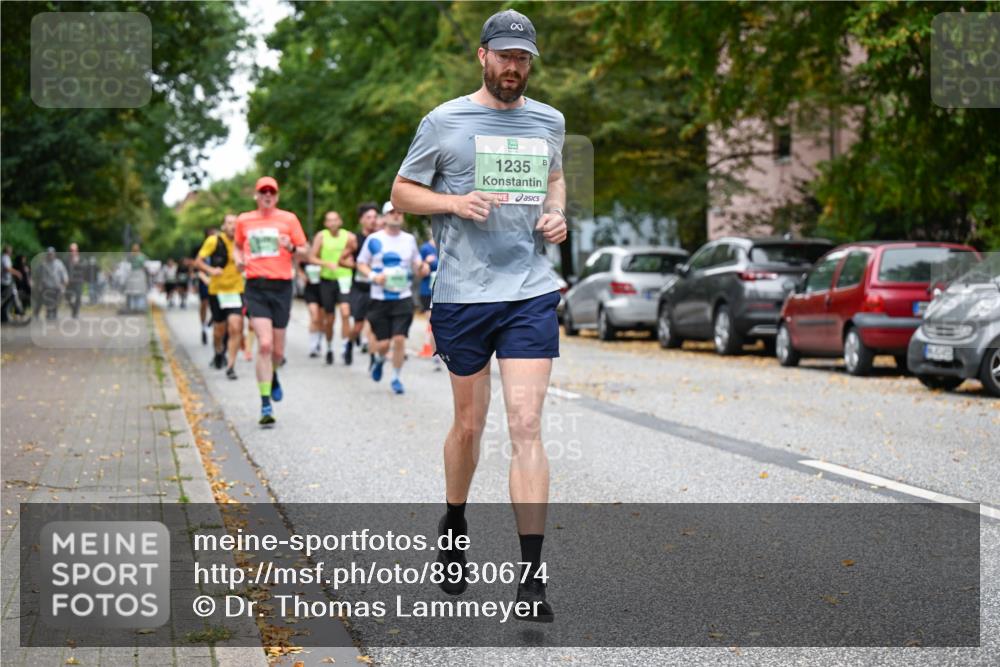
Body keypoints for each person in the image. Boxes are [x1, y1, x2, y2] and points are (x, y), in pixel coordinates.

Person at [391, 9, 567, 622]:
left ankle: (531, 580)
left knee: (526, 423)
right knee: (469, 425)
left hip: (529, 290)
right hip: (464, 294)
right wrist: (453, 202)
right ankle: (455, 518)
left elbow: (555, 178)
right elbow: (402, 193)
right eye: (505, 56)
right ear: (483, 56)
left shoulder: (549, 121)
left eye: (524, 59)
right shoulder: (443, 121)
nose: (514, 67)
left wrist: (557, 214)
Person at [233, 176, 308, 426]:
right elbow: (237, 246)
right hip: (256, 286)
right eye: (263, 191)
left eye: (271, 192)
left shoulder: (289, 219)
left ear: (276, 196)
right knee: (264, 344)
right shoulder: (244, 220)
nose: (267, 195)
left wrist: (292, 248)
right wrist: (238, 260)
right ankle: (265, 403)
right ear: (256, 196)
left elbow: (306, 250)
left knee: (277, 351)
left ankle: (273, 374)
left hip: (281, 287)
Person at [356, 201, 429, 394]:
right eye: (392, 212)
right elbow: (361, 263)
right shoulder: (374, 239)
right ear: (385, 217)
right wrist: (373, 276)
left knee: (399, 339)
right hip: (379, 298)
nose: (396, 215)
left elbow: (417, 263)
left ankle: (396, 377)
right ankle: (380, 360)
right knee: (383, 344)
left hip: (402, 297)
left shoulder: (409, 240)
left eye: (400, 212)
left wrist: (422, 268)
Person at [195, 215, 245, 379]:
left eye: (235, 224)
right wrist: (211, 270)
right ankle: (218, 352)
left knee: (236, 326)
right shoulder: (214, 241)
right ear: (224, 226)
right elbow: (198, 262)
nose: (233, 226)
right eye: (230, 223)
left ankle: (230, 366)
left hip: (236, 290)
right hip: (217, 291)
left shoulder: (242, 242)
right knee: (219, 330)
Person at [308, 211, 356, 365]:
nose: (333, 223)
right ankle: (329, 347)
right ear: (326, 223)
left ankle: (345, 348)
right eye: (329, 220)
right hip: (327, 280)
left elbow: (355, 255)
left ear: (340, 221)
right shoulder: (321, 236)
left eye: (335, 220)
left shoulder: (349, 236)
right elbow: (311, 257)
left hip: (344, 278)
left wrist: (350, 263)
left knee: (345, 312)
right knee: (329, 319)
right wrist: (325, 263)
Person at [342, 203, 379, 366]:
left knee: (373, 324)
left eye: (375, 217)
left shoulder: (380, 238)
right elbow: (341, 260)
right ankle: (349, 344)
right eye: (368, 217)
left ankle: (373, 358)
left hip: (375, 287)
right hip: (360, 287)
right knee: (358, 326)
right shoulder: (354, 240)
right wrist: (357, 265)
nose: (372, 220)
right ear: (361, 220)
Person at [417, 233, 442, 370]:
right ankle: (437, 355)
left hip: (446, 291)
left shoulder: (449, 244)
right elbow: (419, 271)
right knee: (434, 322)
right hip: (428, 291)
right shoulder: (425, 248)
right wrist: (425, 263)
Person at [192, 228, 216, 345]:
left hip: (217, 281)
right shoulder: (201, 249)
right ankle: (203, 327)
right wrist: (202, 278)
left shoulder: (220, 248)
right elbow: (196, 267)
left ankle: (211, 322)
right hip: (204, 281)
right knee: (204, 303)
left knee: (216, 306)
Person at [299, 256, 324, 358]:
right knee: (314, 317)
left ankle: (318, 342)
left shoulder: (324, 257)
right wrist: (302, 275)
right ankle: (313, 346)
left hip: (323, 289)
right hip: (310, 290)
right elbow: (298, 266)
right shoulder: (307, 258)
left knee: (321, 320)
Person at [35, 247, 69, 320]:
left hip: (56, 286)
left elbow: (63, 272)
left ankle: (54, 313)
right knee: (46, 301)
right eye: (49, 254)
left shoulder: (59, 263)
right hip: (46, 286)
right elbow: (38, 275)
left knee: (56, 301)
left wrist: (65, 280)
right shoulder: (43, 264)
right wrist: (38, 284)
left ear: (54, 254)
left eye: (51, 254)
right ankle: (47, 313)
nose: (50, 255)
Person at [1, 245, 23, 323]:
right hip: (6, 282)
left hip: (6, 281)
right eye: (10, 250)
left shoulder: (4, 257)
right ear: (7, 251)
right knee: (4, 298)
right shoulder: (5, 258)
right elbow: (7, 268)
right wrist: (17, 273)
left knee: (8, 299)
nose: (11, 252)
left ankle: (4, 317)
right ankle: (19, 311)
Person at [65, 243, 85, 318]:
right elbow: (64, 270)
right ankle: (73, 309)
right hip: (69, 281)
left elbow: (84, 269)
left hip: (78, 281)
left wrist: (77, 263)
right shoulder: (66, 259)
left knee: (78, 297)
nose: (73, 252)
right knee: (67, 297)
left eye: (74, 250)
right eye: (71, 250)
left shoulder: (81, 259)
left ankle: (75, 313)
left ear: (77, 250)